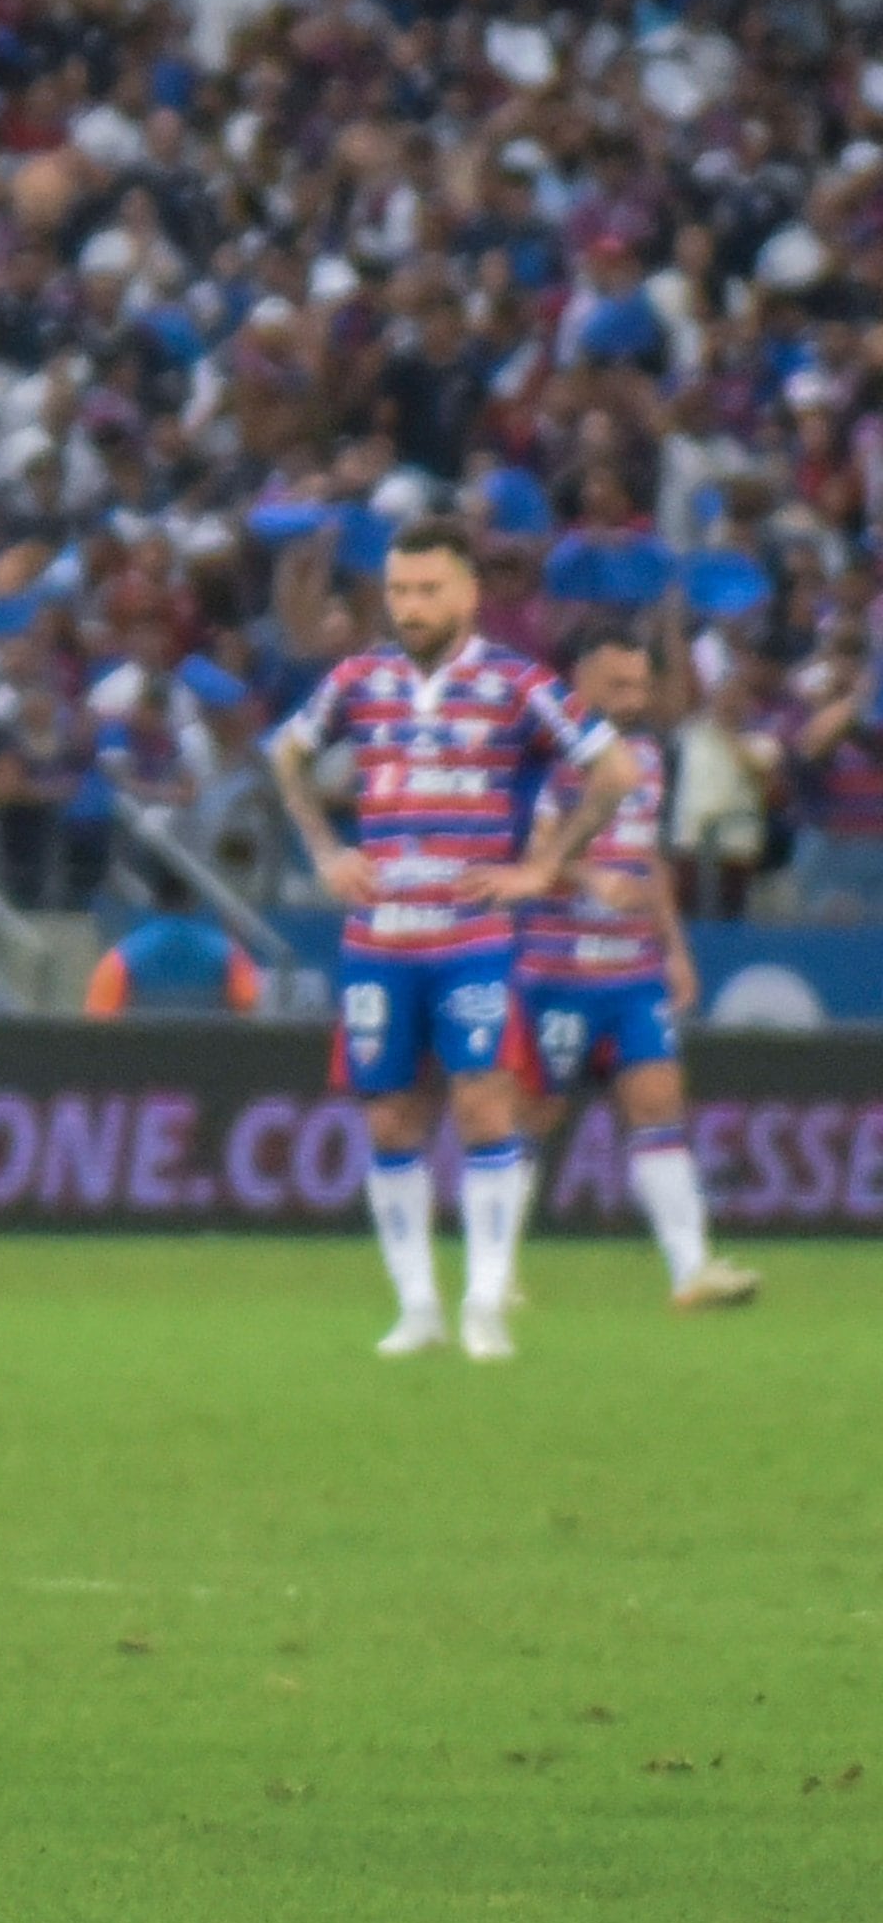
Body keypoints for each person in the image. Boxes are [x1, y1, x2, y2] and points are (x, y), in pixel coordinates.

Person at [266, 515, 639, 1363]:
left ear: (469, 593)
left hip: (470, 934)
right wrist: (327, 851)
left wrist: (543, 864)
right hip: (377, 938)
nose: (411, 605)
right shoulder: (360, 678)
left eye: (429, 589)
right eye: (399, 589)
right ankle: (417, 1307)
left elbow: (615, 769)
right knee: (391, 1116)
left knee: (482, 1099)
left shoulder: (516, 682)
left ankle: (483, 1301)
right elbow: (285, 754)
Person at [517, 633, 756, 1311]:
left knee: (658, 1105)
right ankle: (497, 1270)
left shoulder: (647, 754)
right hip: (553, 967)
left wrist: (673, 948)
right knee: (535, 1114)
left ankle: (692, 1270)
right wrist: (588, 875)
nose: (634, 700)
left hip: (630, 972)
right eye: (619, 686)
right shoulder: (543, 756)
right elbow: (529, 853)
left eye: (640, 686)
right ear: (579, 681)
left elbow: (647, 859)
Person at [82, 862, 262, 1015]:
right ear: (194, 902)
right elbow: (247, 1003)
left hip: (141, 1052)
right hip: (208, 1051)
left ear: (155, 902)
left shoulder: (124, 954)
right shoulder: (226, 952)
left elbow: (100, 1013)